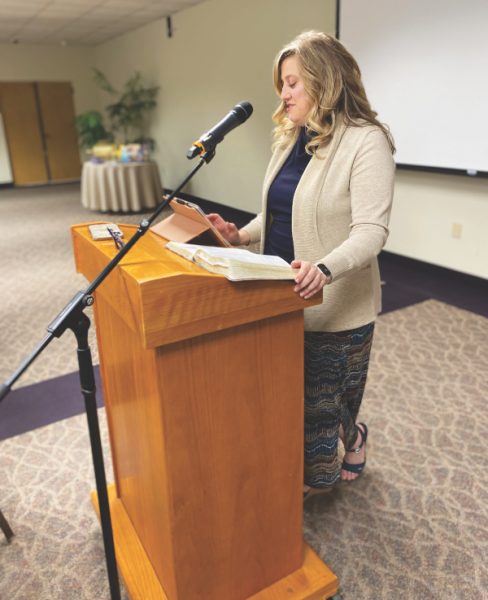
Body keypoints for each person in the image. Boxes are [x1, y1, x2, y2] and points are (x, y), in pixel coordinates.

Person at [207, 31, 395, 497]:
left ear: (324, 81)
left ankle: (354, 438)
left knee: (328, 406)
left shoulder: (365, 142)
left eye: (292, 83)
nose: (283, 94)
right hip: (276, 292)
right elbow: (278, 209)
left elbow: (371, 231)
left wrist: (325, 269)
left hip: (333, 301)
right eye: (282, 84)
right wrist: (240, 234)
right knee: (288, 397)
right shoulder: (291, 137)